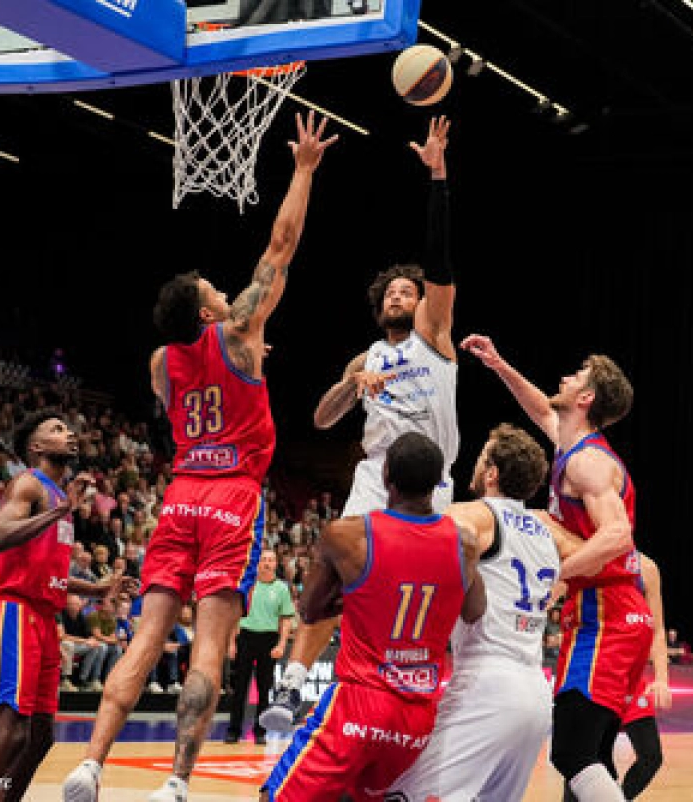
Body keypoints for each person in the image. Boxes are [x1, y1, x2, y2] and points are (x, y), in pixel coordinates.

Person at [63, 112, 337, 802]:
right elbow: (281, 244)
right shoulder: (241, 333)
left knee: (146, 637)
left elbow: (189, 384)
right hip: (231, 498)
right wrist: (303, 168)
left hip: (179, 495)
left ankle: (90, 764)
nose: (224, 287)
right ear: (214, 313)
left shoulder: (161, 360)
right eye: (216, 290)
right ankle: (177, 783)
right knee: (208, 647)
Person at [264, 116, 458, 731]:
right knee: (332, 554)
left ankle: (438, 688)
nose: (403, 294)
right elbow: (321, 420)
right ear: (381, 305)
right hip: (376, 475)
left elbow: (440, 259)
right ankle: (292, 685)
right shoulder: (367, 357)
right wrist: (352, 382)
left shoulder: (434, 335)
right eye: (395, 291)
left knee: (433, 589)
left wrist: (436, 172)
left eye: (411, 289)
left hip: (433, 478)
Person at [459, 335, 648, 802]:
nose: (564, 377)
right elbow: (540, 408)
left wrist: (560, 578)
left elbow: (617, 536)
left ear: (585, 398)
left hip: (609, 614)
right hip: (602, 613)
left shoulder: (588, 463)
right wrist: (500, 365)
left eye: (576, 375)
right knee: (589, 758)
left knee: (572, 753)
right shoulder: (571, 444)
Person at [260, 433, 485, 801]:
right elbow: (475, 612)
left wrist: (357, 597)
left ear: (385, 477)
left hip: (360, 701)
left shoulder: (349, 536)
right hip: (417, 715)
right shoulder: (465, 543)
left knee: (277, 796)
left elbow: (310, 610)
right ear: (437, 484)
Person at [389, 424, 570, 802]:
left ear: (491, 474)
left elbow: (423, 537)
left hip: (487, 682)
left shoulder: (475, 514)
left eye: (481, 459)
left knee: (405, 795)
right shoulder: (546, 531)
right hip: (536, 693)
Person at [0, 411, 130, 802]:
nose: (69, 433)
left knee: (39, 739)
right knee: (13, 735)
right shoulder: (28, 483)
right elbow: (1, 537)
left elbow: (50, 573)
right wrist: (60, 511)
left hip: (43, 617)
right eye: (57, 429)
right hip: (14, 612)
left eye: (68, 428)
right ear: (37, 446)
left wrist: (98, 588)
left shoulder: (58, 497)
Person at [562, 553, 671, 802]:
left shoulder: (646, 567)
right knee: (588, 760)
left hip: (631, 681)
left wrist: (662, 677)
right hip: (596, 674)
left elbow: (658, 628)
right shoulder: (584, 555)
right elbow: (550, 591)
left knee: (651, 756)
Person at [224, 548, 295, 745]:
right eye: (263, 559)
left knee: (264, 689)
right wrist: (231, 642)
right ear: (257, 563)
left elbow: (286, 619)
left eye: (271, 560)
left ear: (275, 564)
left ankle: (260, 732)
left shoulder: (281, 588)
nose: (266, 563)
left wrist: (281, 644)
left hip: (269, 639)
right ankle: (233, 730)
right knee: (239, 688)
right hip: (245, 637)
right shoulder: (248, 585)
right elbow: (234, 616)